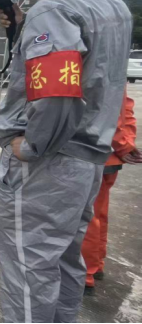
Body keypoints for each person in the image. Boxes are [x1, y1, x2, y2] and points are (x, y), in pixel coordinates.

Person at [0, 0, 131, 323]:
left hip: (47, 166)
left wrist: (31, 146)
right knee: (66, 258)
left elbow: (56, 94)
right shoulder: (114, 8)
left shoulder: (54, 9)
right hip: (88, 160)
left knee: (27, 270)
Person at [82, 89, 141, 295]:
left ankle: (84, 274)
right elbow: (125, 107)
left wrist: (122, 145)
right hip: (110, 155)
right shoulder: (117, 74)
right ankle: (96, 264)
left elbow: (107, 111)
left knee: (85, 216)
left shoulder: (102, 72)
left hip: (95, 152)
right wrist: (127, 142)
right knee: (98, 212)